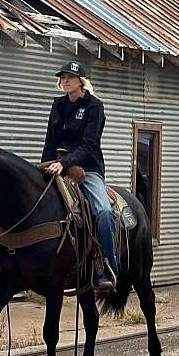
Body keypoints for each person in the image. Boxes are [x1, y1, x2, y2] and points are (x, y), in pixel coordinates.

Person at [41, 60, 118, 290]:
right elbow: (50, 140)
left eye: (70, 77)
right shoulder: (58, 105)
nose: (65, 80)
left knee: (103, 212)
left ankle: (106, 265)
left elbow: (88, 144)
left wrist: (63, 163)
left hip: (88, 168)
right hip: (58, 165)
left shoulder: (94, 106)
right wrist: (45, 164)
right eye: (63, 77)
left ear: (81, 81)